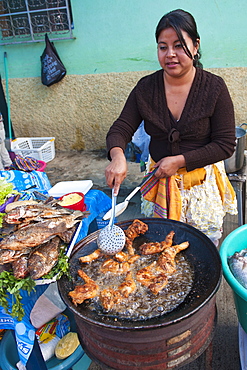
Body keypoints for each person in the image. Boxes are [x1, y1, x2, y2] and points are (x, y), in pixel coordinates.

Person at [105, 9, 237, 245]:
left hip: (199, 190)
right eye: (163, 47)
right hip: (159, 187)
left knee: (201, 250)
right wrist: (117, 156)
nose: (170, 54)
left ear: (195, 46)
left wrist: (180, 161)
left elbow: (225, 144)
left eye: (178, 45)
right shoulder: (146, 88)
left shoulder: (214, 88)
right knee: (158, 247)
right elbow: (121, 128)